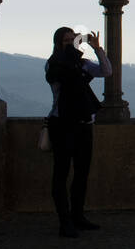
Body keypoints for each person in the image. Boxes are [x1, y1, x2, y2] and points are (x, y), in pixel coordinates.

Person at [45, 27, 111, 238]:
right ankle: (65, 222)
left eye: (72, 40)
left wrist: (97, 49)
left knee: (81, 173)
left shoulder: (81, 64)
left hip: (83, 123)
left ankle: (77, 216)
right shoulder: (54, 64)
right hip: (62, 124)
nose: (70, 43)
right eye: (66, 41)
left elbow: (106, 71)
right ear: (57, 43)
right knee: (61, 173)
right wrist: (74, 55)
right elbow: (61, 77)